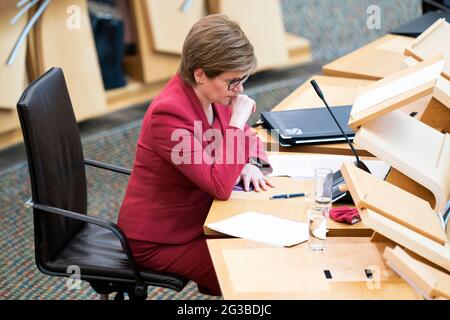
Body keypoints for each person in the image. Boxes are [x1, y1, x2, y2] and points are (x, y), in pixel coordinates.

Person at [117, 14, 273, 296]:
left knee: (268, 254)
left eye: (243, 79)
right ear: (200, 74)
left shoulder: (215, 95)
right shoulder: (169, 114)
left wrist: (250, 161)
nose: (240, 90)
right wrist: (237, 125)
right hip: (160, 239)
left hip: (201, 218)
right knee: (249, 273)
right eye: (233, 82)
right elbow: (219, 186)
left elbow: (249, 138)